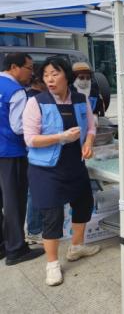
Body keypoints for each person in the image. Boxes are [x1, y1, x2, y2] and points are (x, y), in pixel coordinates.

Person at [23, 57, 100, 286]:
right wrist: (61, 138)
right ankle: (52, 264)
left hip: (74, 164)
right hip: (46, 169)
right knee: (52, 216)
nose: (49, 79)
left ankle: (76, 247)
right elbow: (30, 139)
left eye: (54, 73)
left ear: (67, 76)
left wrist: (88, 143)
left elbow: (92, 127)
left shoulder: (80, 98)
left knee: (83, 205)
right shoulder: (36, 102)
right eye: (46, 75)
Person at [0, 53, 44, 265]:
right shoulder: (16, 91)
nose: (32, 73)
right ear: (14, 67)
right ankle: (17, 249)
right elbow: (19, 127)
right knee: (15, 201)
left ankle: (4, 245)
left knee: (3, 200)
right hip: (12, 152)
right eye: (29, 67)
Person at [25, 75, 47, 245]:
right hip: (36, 150)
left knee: (34, 190)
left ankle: (35, 228)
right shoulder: (34, 99)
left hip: (32, 150)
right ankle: (34, 230)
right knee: (34, 190)